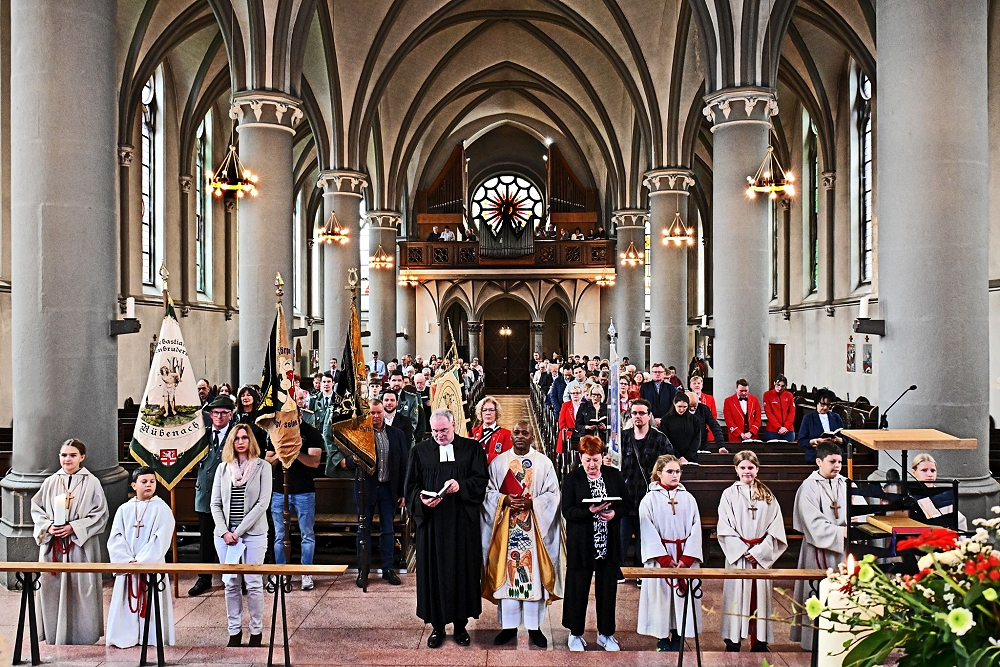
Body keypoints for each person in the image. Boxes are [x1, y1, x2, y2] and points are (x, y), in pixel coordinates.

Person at [404, 408, 488, 648]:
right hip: (432, 525)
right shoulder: (420, 452)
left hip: (462, 524)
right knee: (434, 574)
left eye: (443, 430)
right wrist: (421, 499)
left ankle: (461, 626)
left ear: (454, 425)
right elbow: (410, 487)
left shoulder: (472, 449)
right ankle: (437, 627)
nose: (439, 435)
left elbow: (481, 481)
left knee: (463, 572)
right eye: (435, 431)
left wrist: (461, 486)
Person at [481, 420, 562, 648]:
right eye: (516, 432)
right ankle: (508, 628)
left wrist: (532, 503)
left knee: (532, 578)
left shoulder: (544, 463)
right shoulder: (499, 462)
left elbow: (553, 495)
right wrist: (504, 499)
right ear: (511, 436)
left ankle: (535, 629)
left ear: (532, 437)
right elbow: (487, 493)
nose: (519, 436)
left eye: (525, 433)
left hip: (534, 532)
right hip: (506, 531)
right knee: (509, 578)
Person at [31, 439, 109, 645]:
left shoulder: (91, 482)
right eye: (64, 455)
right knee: (52, 589)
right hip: (54, 546)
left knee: (81, 587)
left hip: (80, 546)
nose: (67, 459)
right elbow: (37, 511)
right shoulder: (50, 482)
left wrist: (74, 527)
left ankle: (83, 635)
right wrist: (48, 526)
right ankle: (54, 633)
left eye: (73, 455)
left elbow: (100, 514)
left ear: (82, 457)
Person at [561, 436, 632, 652]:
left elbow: (627, 504)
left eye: (595, 460)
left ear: (602, 457)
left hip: (607, 541)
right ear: (580, 457)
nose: (592, 465)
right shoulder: (573, 479)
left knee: (607, 589)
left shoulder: (613, 475)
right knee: (577, 589)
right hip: (582, 543)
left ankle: (606, 633)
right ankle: (575, 634)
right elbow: (567, 511)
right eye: (587, 460)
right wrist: (589, 511)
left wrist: (614, 514)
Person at [717, 450, 787, 653]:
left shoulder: (767, 495)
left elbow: (776, 527)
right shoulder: (729, 495)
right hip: (739, 556)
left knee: (761, 598)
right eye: (743, 467)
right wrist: (742, 549)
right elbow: (724, 527)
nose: (747, 471)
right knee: (736, 596)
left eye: (751, 467)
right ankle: (733, 640)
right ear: (736, 469)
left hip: (760, 556)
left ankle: (759, 641)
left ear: (757, 469)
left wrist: (760, 551)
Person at [211, 424, 272, 647]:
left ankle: (256, 632)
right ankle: (234, 632)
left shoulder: (263, 467)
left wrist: (237, 532)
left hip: (253, 534)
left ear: (250, 440)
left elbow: (262, 503)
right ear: (231, 442)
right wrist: (224, 532)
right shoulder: (222, 469)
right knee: (231, 584)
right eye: (236, 438)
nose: (240, 442)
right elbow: (215, 504)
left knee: (253, 583)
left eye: (244, 437)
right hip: (226, 537)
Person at [637, 455, 703, 652]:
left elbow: (696, 528)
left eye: (678, 471)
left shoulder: (688, 498)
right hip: (661, 557)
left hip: (684, 556)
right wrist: (664, 558)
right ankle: (662, 637)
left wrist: (687, 557)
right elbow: (647, 530)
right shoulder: (649, 499)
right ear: (659, 473)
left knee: (683, 598)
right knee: (662, 598)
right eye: (670, 471)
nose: (675, 475)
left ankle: (679, 634)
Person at [106, 466, 175, 649]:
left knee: (152, 602)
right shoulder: (124, 509)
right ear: (134, 485)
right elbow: (116, 537)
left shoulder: (162, 509)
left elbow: (162, 538)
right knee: (125, 601)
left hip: (151, 565)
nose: (149, 485)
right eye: (144, 482)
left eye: (152, 481)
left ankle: (152, 637)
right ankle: (125, 637)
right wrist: (126, 560)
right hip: (128, 566)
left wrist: (143, 561)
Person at [790, 442, 850, 649]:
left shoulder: (846, 483)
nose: (837, 466)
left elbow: (860, 510)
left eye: (840, 462)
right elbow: (811, 522)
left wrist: (854, 525)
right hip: (817, 550)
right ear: (819, 461)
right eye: (832, 461)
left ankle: (842, 640)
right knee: (815, 593)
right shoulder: (809, 486)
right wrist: (841, 532)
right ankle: (813, 642)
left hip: (843, 550)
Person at [348, 399, 409, 587]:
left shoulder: (397, 434)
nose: (375, 416)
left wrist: (403, 492)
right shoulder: (360, 435)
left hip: (388, 488)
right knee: (363, 530)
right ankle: (363, 569)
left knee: (388, 530)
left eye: (378, 412)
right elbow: (348, 462)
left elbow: (403, 464)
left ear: (384, 413)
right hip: (366, 489)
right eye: (372, 413)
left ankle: (388, 569)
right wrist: (354, 459)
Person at [265, 414, 323, 590]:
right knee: (280, 534)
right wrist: (280, 454)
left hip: (304, 490)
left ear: (299, 415)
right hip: (279, 491)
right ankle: (282, 571)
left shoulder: (311, 432)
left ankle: (306, 572)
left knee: (307, 534)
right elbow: (268, 462)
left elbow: (314, 462)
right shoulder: (276, 432)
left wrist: (295, 452)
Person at [190, 395, 237, 596]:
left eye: (224, 413)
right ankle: (204, 578)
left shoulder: (236, 436)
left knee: (233, 537)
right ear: (210, 414)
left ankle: (235, 577)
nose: (219, 416)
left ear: (231, 415)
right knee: (206, 539)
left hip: (228, 497)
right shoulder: (202, 435)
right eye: (216, 412)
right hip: (205, 494)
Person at [618, 398, 672, 571]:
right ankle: (620, 572)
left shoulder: (660, 439)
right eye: (634, 413)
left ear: (649, 416)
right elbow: (613, 466)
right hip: (626, 497)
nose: (638, 416)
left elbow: (669, 467)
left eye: (642, 413)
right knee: (621, 539)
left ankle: (643, 573)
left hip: (649, 498)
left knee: (646, 540)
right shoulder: (622, 438)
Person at [910, 453, 968, 531]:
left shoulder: (943, 495)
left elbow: (960, 521)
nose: (929, 474)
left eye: (933, 471)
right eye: (924, 470)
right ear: (914, 472)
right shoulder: (908, 494)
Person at [797, 388, 845, 462]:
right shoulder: (808, 418)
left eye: (828, 405)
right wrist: (816, 441)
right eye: (823, 405)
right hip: (816, 455)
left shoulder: (836, 417)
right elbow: (801, 441)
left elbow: (846, 439)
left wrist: (837, 440)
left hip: (835, 454)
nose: (825, 408)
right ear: (817, 403)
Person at [471, 396, 514, 464]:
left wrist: (486, 457)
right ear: (480, 413)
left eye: (491, 410)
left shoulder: (506, 434)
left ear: (496, 413)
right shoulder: (472, 432)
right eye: (484, 410)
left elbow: (507, 458)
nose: (488, 413)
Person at [660, 393, 701, 463]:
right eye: (679, 406)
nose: (682, 410)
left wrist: (687, 457)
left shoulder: (694, 419)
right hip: (671, 458)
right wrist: (676, 456)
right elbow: (666, 440)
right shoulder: (666, 419)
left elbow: (697, 439)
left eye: (684, 407)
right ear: (674, 404)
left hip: (690, 458)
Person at [557, 385, 592, 453]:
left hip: (582, 433)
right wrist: (568, 432)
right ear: (570, 395)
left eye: (577, 393)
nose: (575, 395)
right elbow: (561, 423)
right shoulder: (565, 405)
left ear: (581, 394)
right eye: (573, 393)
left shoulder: (585, 406)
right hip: (568, 433)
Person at [640, 363, 677, 428]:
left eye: (660, 372)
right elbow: (642, 403)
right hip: (649, 421)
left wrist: (663, 418)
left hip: (666, 421)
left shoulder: (670, 388)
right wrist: (652, 418)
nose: (657, 374)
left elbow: (673, 405)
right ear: (651, 373)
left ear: (664, 374)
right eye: (655, 372)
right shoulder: (645, 387)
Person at [762, 375, 796, 441]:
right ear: (774, 383)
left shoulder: (789, 395)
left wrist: (786, 427)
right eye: (778, 385)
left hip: (788, 430)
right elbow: (769, 413)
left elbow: (792, 412)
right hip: (773, 430)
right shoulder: (767, 395)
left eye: (783, 386)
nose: (780, 388)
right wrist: (778, 427)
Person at [688, 375, 719, 446]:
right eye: (694, 383)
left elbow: (714, 415)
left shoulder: (710, 398)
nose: (697, 385)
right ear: (690, 385)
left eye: (699, 383)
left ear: (702, 385)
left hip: (707, 431)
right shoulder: (686, 398)